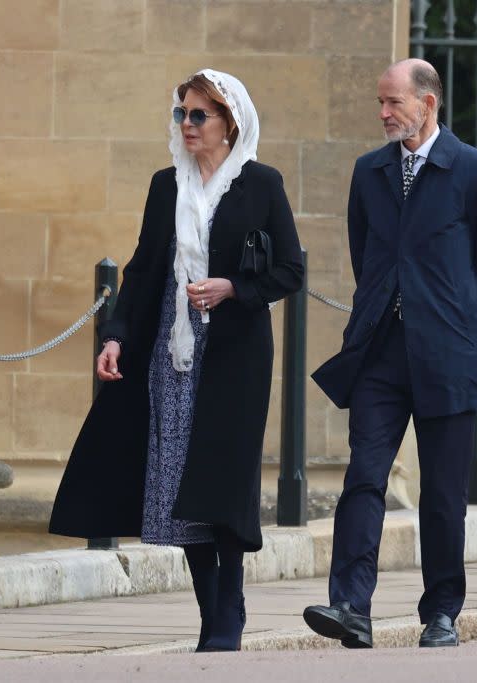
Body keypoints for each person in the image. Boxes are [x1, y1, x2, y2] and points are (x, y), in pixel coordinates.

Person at [49, 69, 304, 653]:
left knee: (223, 480)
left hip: (235, 355)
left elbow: (289, 269)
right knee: (178, 483)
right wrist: (115, 337)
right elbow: (142, 271)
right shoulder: (166, 185)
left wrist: (233, 288)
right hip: (173, 354)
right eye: (181, 115)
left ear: (228, 123)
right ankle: (210, 610)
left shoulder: (261, 184)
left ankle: (230, 603)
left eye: (198, 116)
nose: (187, 125)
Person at [306, 59, 477, 648]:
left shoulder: (474, 170)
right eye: (380, 102)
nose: (383, 113)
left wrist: (460, 327)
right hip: (380, 352)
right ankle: (351, 605)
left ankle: (442, 612)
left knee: (445, 495)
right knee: (363, 478)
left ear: (428, 104)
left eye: (393, 102)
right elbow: (364, 251)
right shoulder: (369, 172)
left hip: (449, 355)